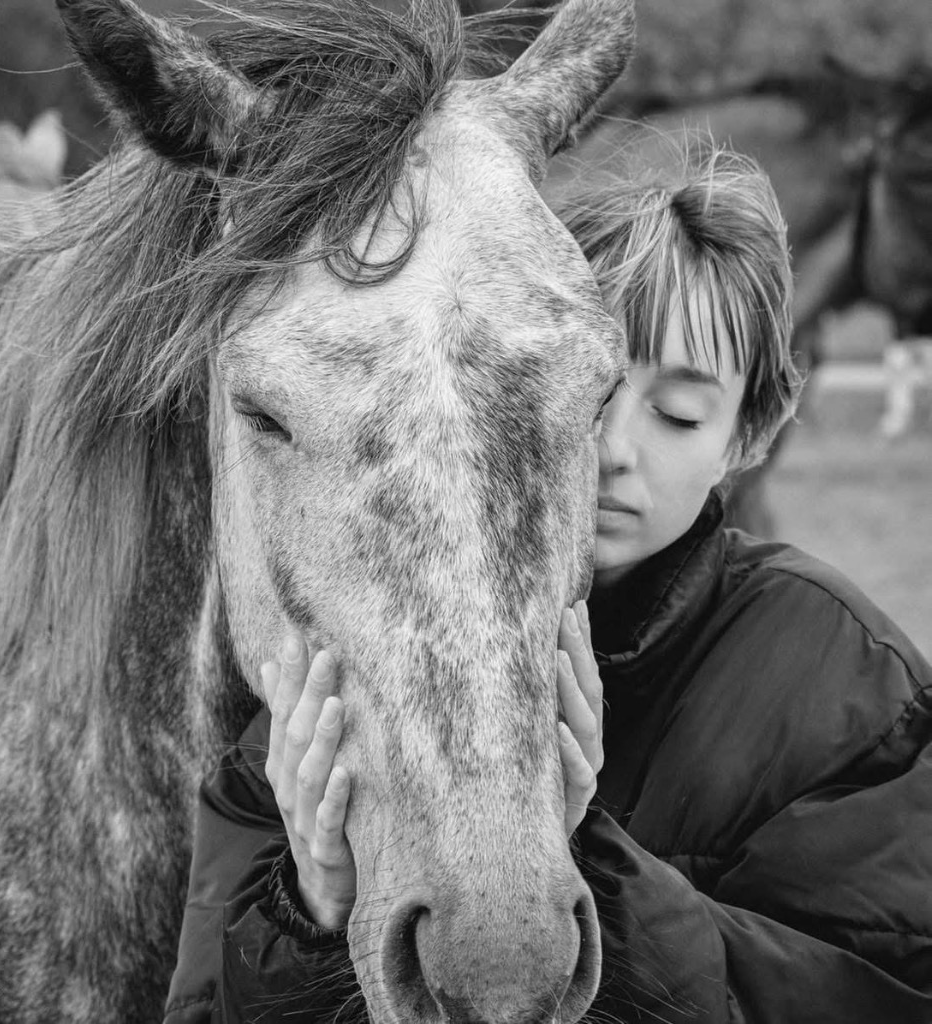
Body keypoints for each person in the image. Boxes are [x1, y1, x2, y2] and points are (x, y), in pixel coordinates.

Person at [164, 144, 932, 1023]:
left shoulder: (850, 687)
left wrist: (587, 863)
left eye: (679, 414)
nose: (612, 453)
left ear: (749, 437)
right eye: (581, 399)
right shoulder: (342, 669)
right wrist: (309, 908)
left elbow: (884, 995)